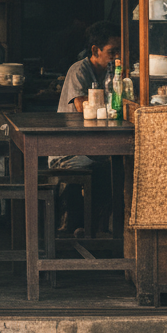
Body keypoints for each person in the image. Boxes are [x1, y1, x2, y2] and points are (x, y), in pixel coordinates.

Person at [54, 19, 121, 235]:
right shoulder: (79, 71)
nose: (117, 56)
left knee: (116, 167)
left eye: (120, 51)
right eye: (113, 51)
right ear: (95, 50)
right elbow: (83, 106)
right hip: (71, 150)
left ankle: (98, 229)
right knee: (106, 170)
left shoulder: (112, 73)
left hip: (95, 147)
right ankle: (79, 227)